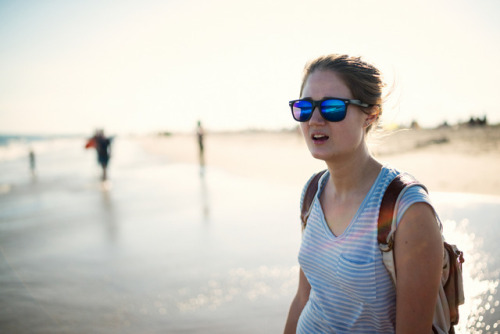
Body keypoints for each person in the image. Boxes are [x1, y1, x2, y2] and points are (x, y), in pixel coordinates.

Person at [283, 54, 443, 333]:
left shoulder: (407, 211)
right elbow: (303, 298)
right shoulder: (312, 192)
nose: (315, 119)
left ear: (371, 114)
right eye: (305, 107)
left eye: (333, 108)